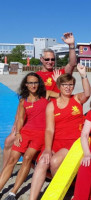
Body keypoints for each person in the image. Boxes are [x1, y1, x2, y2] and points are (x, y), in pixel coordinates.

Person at [18, 64, 91, 200]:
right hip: (55, 141)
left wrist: (83, 75)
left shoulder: (77, 99)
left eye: (70, 85)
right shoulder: (51, 105)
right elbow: (50, 130)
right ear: (59, 86)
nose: (68, 87)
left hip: (72, 143)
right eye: (64, 84)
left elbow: (88, 92)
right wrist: (47, 149)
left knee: (56, 161)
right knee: (42, 163)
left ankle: (59, 193)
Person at [1, 32, 77, 172]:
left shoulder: (59, 73)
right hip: (32, 117)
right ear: (41, 59)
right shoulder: (35, 77)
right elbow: (23, 100)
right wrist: (16, 122)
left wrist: (71, 45)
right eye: (47, 59)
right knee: (8, 141)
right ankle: (5, 172)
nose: (50, 62)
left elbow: (72, 63)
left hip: (49, 119)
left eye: (52, 59)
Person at [0, 73, 48, 200]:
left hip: (40, 134)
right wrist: (18, 133)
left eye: (35, 82)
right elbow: (20, 119)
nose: (33, 85)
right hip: (25, 133)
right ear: (25, 85)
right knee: (12, 160)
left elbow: (64, 94)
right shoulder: (23, 100)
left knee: (27, 157)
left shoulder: (46, 96)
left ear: (39, 84)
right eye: (30, 83)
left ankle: (12, 193)